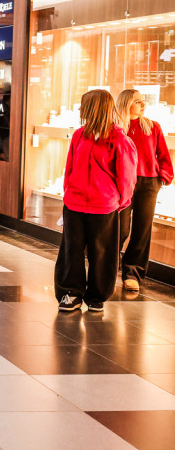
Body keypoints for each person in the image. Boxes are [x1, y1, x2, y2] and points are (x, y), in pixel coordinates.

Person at [55, 90, 137, 313]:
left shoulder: (120, 140)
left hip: (104, 206)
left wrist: (120, 201)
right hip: (74, 203)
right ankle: (71, 293)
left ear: (94, 108)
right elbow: (69, 167)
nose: (80, 110)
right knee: (71, 250)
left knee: (101, 252)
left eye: (84, 105)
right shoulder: (79, 135)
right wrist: (68, 192)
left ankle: (97, 295)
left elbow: (127, 176)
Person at [115, 89, 173, 292]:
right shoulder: (115, 127)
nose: (143, 104)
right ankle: (106, 268)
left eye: (143, 101)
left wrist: (163, 177)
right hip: (121, 183)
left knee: (142, 230)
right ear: (126, 103)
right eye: (138, 101)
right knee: (119, 229)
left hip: (148, 182)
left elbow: (162, 153)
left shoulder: (151, 126)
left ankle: (132, 273)